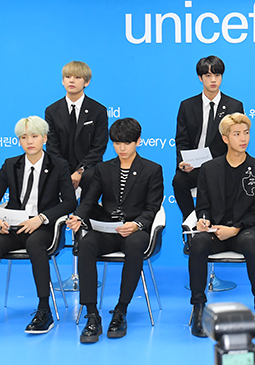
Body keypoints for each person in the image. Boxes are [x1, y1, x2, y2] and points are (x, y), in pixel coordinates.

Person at [0, 116, 77, 334]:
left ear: (44, 138)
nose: (29, 141)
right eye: (23, 137)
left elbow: (70, 202)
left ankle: (44, 310)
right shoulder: (10, 164)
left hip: (43, 227)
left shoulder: (58, 165)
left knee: (35, 244)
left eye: (34, 136)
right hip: (13, 227)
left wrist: (41, 218)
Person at [68, 118, 164, 343]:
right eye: (117, 143)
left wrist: (137, 224)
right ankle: (92, 314)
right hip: (107, 229)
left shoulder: (152, 169)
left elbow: (152, 207)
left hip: (135, 230)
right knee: (86, 244)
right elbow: (89, 200)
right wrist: (78, 216)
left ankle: (121, 310)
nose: (122, 148)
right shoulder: (103, 169)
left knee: (135, 245)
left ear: (138, 141)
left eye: (127, 143)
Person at [188, 113, 255, 339]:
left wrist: (235, 229)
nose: (243, 138)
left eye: (246, 133)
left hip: (244, 229)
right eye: (237, 134)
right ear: (225, 138)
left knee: (252, 245)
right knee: (198, 243)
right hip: (216, 231)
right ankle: (198, 310)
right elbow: (202, 205)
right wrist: (204, 219)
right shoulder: (209, 169)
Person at [173, 55, 244, 221]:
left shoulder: (234, 106)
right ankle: (192, 221)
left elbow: (236, 142)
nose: (213, 80)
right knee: (179, 181)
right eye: (208, 75)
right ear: (200, 78)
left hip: (222, 166)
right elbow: (182, 140)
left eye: (217, 75)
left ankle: (216, 222)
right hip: (194, 165)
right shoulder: (187, 105)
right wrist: (182, 162)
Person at [45, 60, 108, 193]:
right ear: (63, 81)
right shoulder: (52, 111)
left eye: (77, 77)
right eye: (68, 77)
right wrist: (64, 170)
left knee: (91, 176)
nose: (71, 81)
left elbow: (99, 146)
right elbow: (52, 146)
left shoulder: (98, 110)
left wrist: (80, 170)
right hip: (60, 165)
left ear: (87, 82)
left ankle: (87, 207)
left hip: (88, 166)